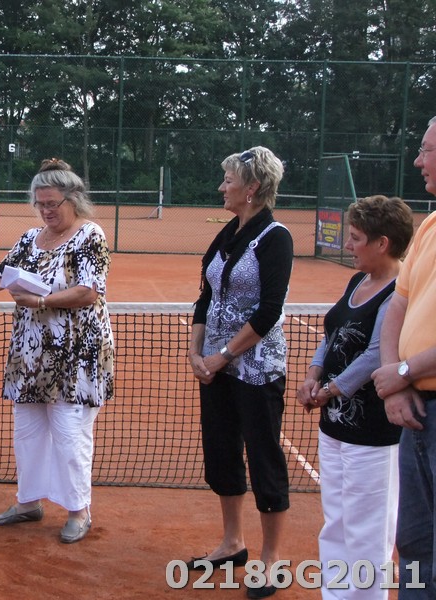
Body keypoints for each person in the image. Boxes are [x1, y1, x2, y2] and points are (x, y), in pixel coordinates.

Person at [0, 158, 114, 544]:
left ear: (73, 199)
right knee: (28, 431)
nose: (45, 211)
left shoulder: (90, 235)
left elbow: (88, 292)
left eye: (52, 204)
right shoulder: (29, 239)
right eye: (40, 204)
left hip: (76, 354)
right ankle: (28, 502)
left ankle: (79, 511)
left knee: (69, 434)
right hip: (30, 354)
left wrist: (42, 301)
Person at [187, 146, 292, 599]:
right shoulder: (228, 232)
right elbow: (206, 295)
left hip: (256, 369)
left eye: (228, 180)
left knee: (264, 455)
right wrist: (196, 353)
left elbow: (269, 311)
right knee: (222, 452)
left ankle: (271, 559)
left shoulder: (275, 237)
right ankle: (233, 543)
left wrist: (223, 355)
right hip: (215, 368)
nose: (221, 187)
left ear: (252, 188)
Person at [297, 196, 413, 599]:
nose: (348, 245)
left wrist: (330, 390)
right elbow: (332, 334)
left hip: (374, 433)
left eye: (356, 238)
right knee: (336, 524)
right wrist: (314, 374)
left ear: (382, 243)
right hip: (334, 427)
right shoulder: (357, 281)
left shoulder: (399, 291)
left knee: (368, 532)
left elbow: (376, 353)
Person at [372, 116, 436, 597]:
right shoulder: (430, 225)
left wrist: (403, 372)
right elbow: (398, 304)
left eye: (426, 150)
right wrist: (394, 379)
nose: (417, 161)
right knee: (414, 544)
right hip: (416, 410)